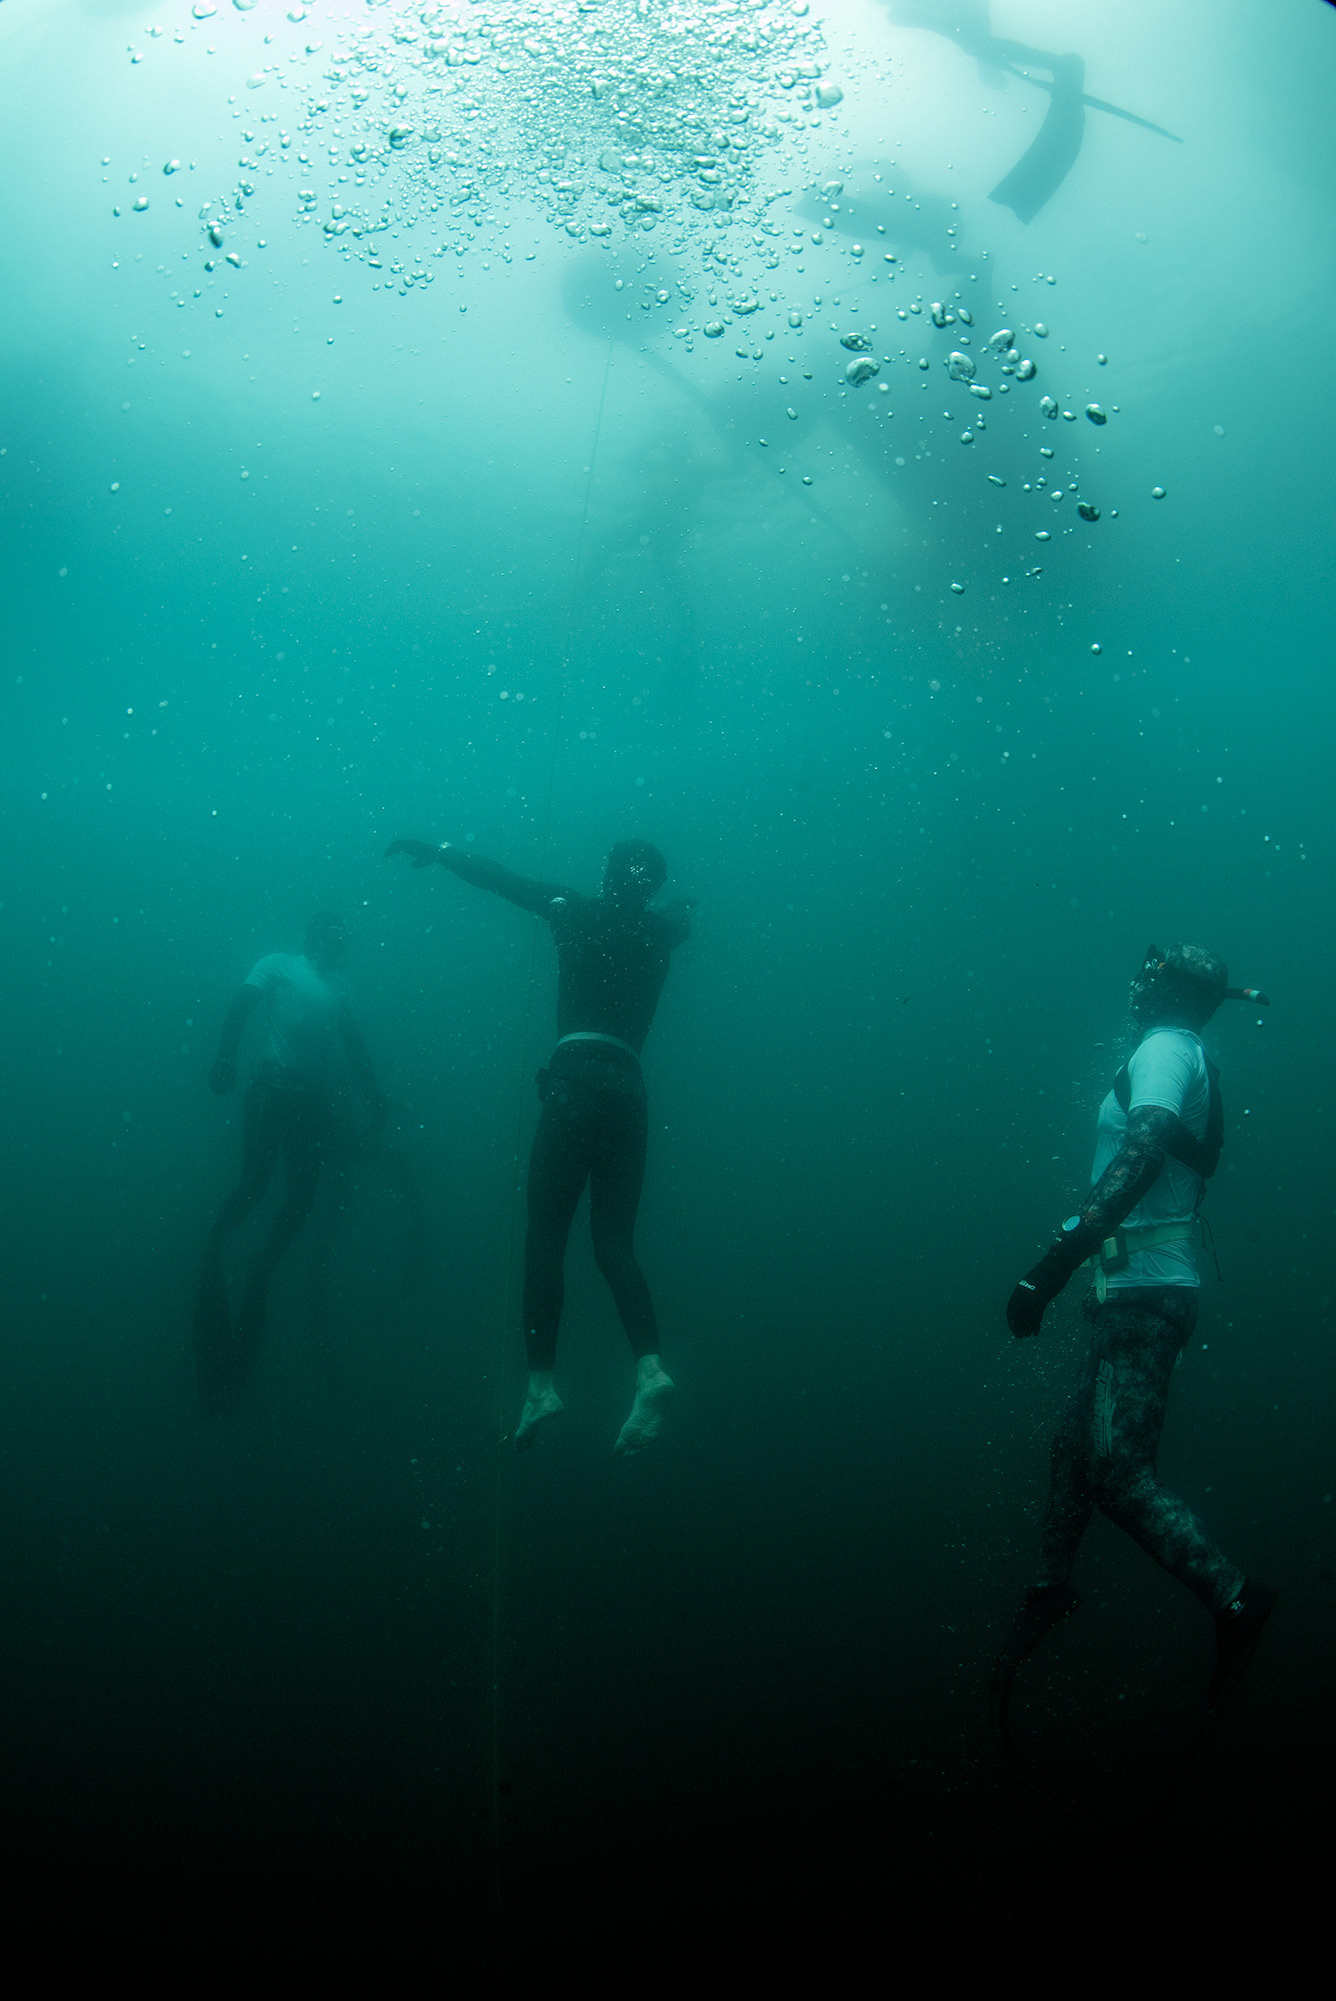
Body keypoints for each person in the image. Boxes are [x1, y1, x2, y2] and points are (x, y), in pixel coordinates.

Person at [995, 944, 1276, 1716]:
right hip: (1134, 1289)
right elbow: (1182, 1151)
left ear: (1172, 992)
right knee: (1071, 1445)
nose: (1135, 988)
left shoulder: (1163, 1048)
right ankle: (1052, 1584)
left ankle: (1236, 1598)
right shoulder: (1187, 1051)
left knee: (1117, 1471)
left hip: (1146, 1294)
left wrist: (1049, 1267)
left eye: (1148, 979)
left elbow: (1145, 1146)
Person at [388, 835, 691, 1455]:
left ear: (608, 874)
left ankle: (541, 1385)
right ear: (651, 885)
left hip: (575, 1081)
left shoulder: (574, 909)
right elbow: (679, 920)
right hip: (629, 1093)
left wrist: (443, 850)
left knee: (545, 1239)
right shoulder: (662, 935)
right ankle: (650, 1367)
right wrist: (681, 907)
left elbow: (502, 877)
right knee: (615, 1245)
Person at [195, 911, 386, 1414]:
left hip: (310, 1103)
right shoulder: (278, 965)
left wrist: (376, 1098)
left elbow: (356, 1046)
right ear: (312, 936)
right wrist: (224, 1057)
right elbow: (240, 1008)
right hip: (270, 1089)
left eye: (340, 935)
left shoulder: (339, 987)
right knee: (255, 1185)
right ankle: (214, 1251)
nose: (334, 941)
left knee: (301, 1200)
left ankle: (260, 1268)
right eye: (328, 933)